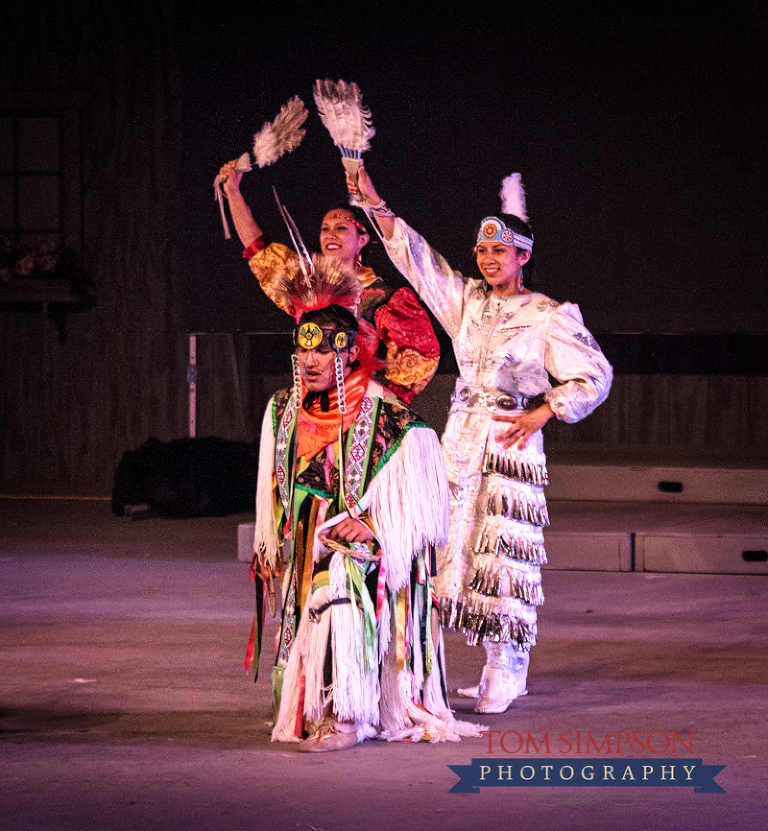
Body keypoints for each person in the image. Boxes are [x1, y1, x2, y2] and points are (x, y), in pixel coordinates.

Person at [347, 165, 613, 714]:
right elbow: (419, 261)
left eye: (501, 251)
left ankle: (506, 667)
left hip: (509, 440)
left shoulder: (547, 315)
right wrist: (375, 205)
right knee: (453, 548)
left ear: (523, 256)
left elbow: (595, 375)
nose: (490, 259)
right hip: (460, 438)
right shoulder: (466, 300)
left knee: (502, 553)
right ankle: (457, 662)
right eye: (483, 251)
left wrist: (545, 410)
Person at [244, 253, 479, 750]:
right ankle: (314, 706)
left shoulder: (392, 419)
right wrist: (269, 546)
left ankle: (346, 718)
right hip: (305, 545)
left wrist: (375, 525)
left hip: (370, 551)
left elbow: (427, 506)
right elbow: (274, 492)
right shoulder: (283, 410)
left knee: (337, 590)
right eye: (303, 349)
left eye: (322, 350)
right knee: (313, 596)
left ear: (349, 352)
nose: (309, 361)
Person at [218, 160, 440, 405]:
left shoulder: (384, 300)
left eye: (341, 228)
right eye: (325, 229)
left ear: (362, 239)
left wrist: (378, 403)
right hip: (311, 406)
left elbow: (419, 361)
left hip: (359, 409)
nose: (330, 235)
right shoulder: (307, 288)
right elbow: (259, 250)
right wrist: (233, 193)